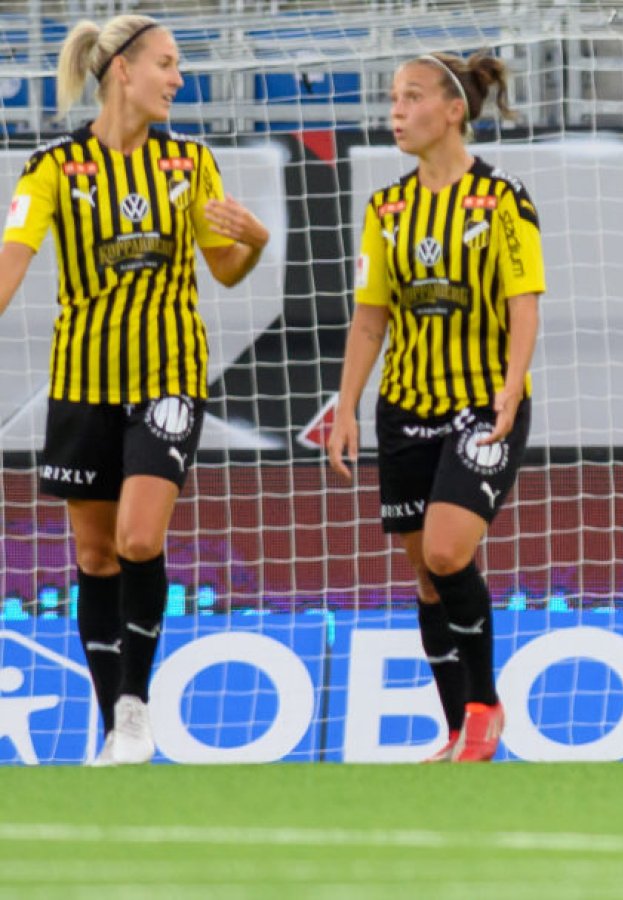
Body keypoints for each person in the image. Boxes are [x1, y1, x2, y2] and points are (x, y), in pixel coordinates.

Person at [0, 14, 269, 766]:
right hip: (83, 382)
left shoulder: (190, 161)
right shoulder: (51, 167)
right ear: (122, 69)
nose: (179, 79)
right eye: (168, 64)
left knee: (138, 538)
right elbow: (11, 264)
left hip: (170, 378)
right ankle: (114, 730)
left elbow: (224, 269)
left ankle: (135, 706)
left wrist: (254, 241)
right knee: (93, 557)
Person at [327, 50, 541, 764]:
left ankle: (484, 709)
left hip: (484, 406)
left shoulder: (505, 198)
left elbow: (522, 303)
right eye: (392, 97)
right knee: (426, 573)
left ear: (453, 111)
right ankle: (459, 730)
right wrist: (347, 404)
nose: (395, 109)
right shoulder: (385, 209)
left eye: (411, 96)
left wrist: (512, 385)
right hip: (404, 408)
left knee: (450, 550)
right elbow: (369, 318)